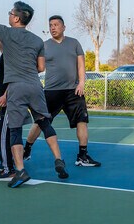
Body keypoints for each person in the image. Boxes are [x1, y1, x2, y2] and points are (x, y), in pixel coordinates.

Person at [0, 0, 69, 188]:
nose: (9, 15)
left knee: (14, 130)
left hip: (16, 87)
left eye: (10, 13)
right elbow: (41, 68)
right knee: (44, 122)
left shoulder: (6, 33)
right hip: (35, 85)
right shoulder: (37, 40)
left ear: (16, 18)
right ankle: (58, 159)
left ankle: (19, 170)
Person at [23, 15, 101, 167]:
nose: (53, 27)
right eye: (51, 25)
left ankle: (82, 156)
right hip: (52, 92)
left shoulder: (74, 43)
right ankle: (26, 150)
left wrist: (81, 83)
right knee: (40, 123)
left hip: (74, 91)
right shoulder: (44, 46)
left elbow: (81, 65)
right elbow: (37, 67)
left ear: (63, 27)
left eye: (56, 24)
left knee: (82, 121)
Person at [0, 39, 16, 181]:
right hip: (6, 100)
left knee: (3, 135)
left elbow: (13, 79)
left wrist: (5, 96)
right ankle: (7, 162)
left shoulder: (8, 57)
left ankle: (9, 169)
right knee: (3, 134)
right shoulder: (4, 56)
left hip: (9, 101)